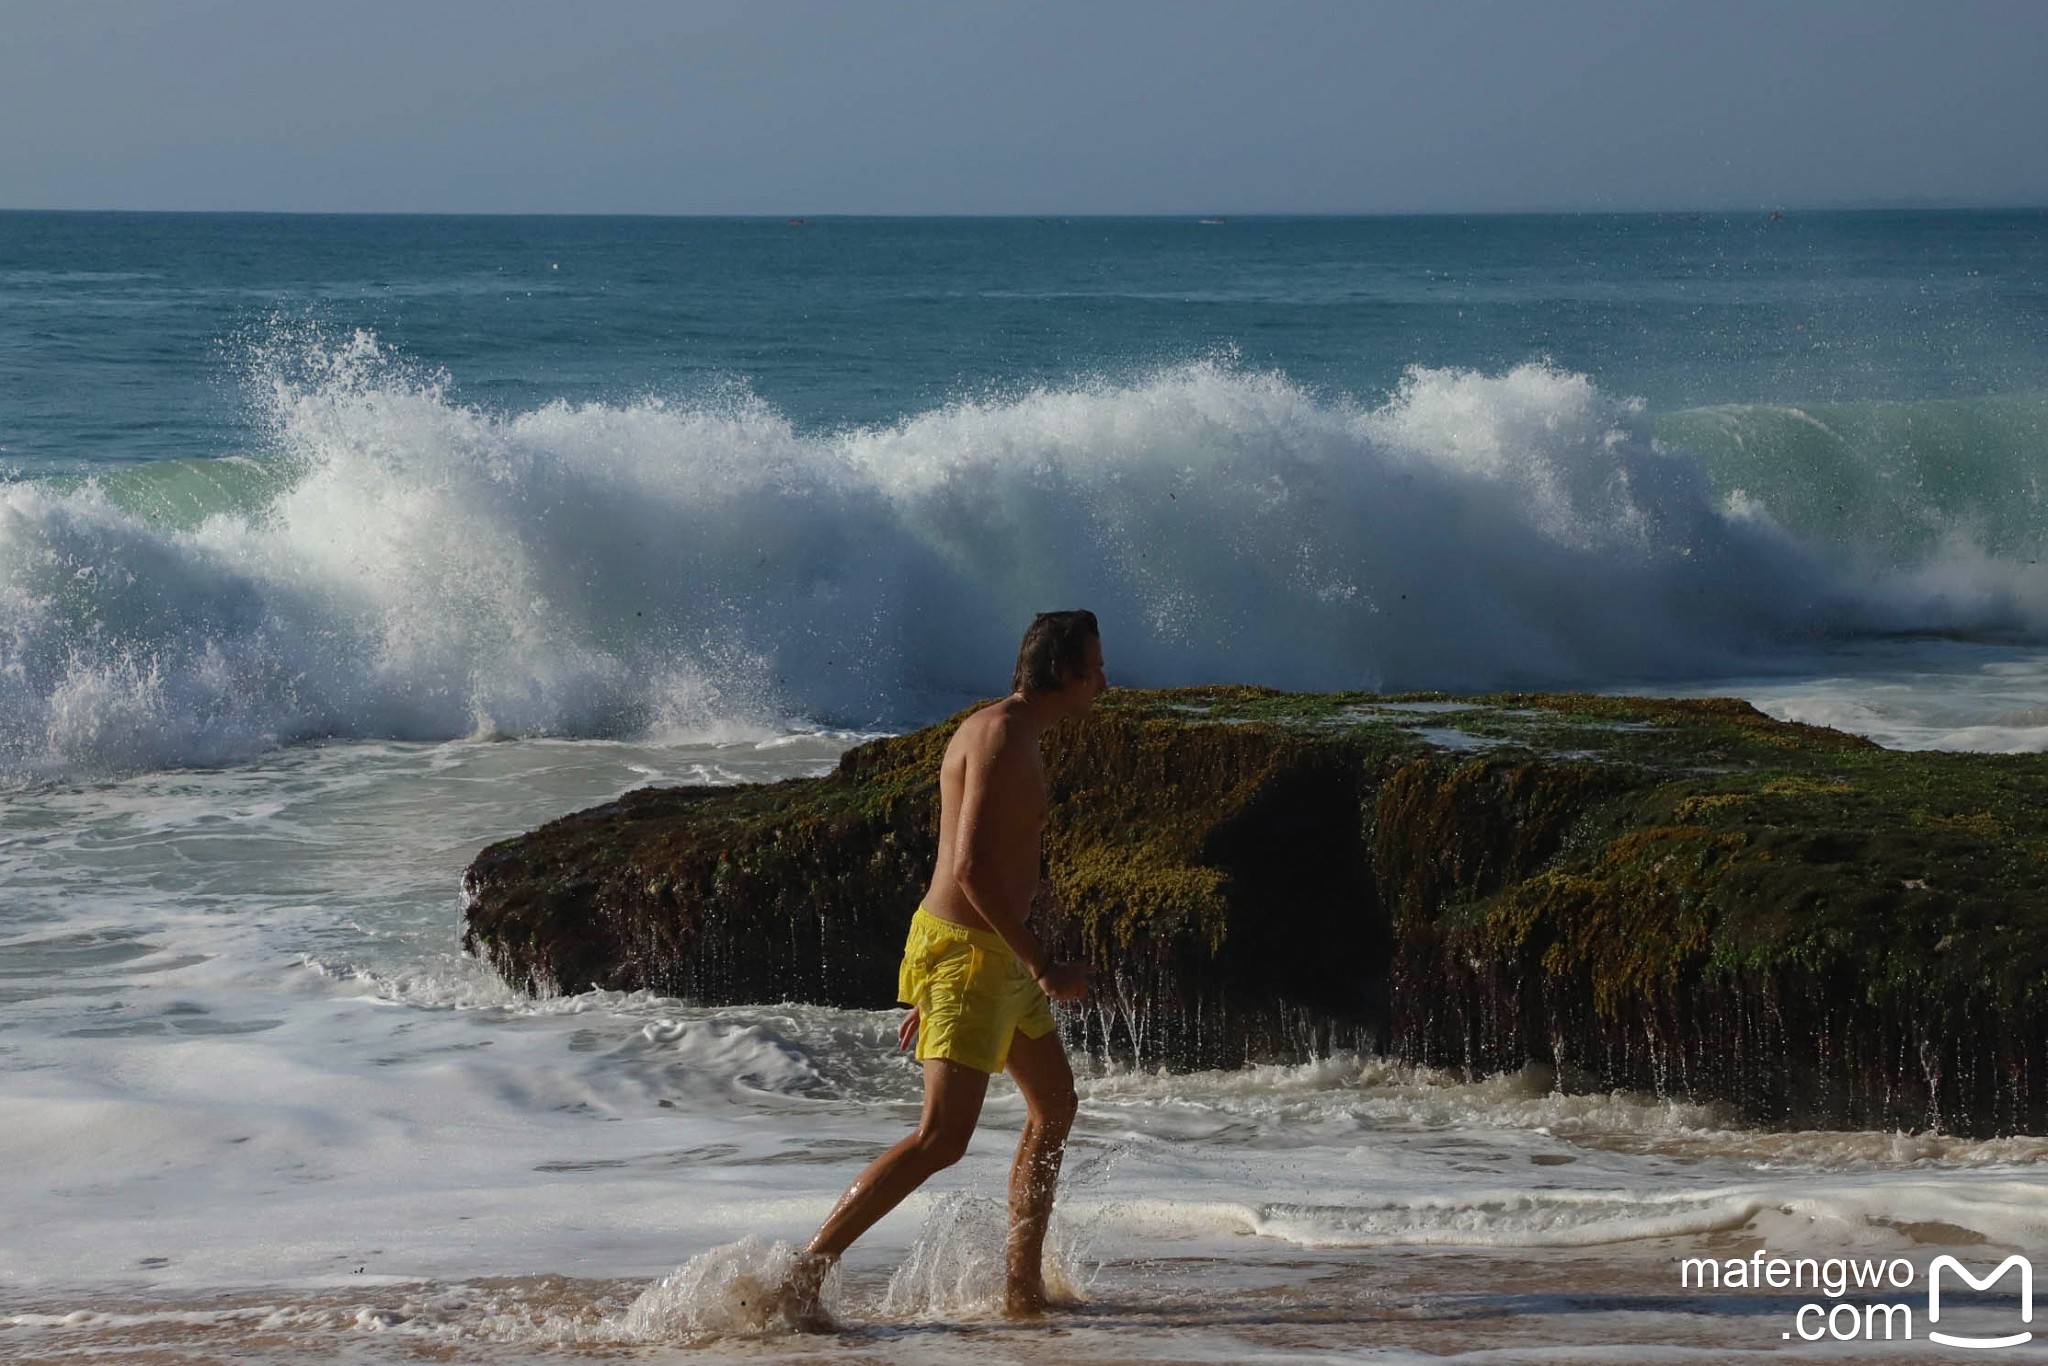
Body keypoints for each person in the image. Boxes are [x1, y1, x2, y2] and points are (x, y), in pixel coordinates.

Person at [782, 610, 1105, 1324]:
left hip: (989, 953)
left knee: (1055, 1105)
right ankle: (800, 1280)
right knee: (942, 1139)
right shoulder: (997, 735)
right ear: (1059, 671)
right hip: (975, 951)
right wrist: (1042, 964)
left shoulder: (1012, 731)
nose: (1104, 684)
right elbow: (968, 870)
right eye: (1094, 669)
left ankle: (1020, 1293)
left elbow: (1003, 861)